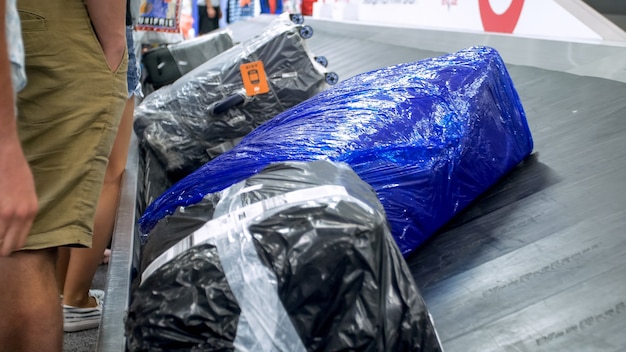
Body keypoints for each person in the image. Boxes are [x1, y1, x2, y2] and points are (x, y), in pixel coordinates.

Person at [0, 0, 128, 350]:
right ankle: (74, 297)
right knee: (25, 243)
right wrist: (115, 48)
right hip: (53, 25)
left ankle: (71, 295)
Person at [56, 0, 143, 333]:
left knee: (69, 169)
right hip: (98, 35)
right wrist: (117, 56)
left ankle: (60, 289)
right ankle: (75, 299)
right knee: (108, 174)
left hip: (55, 35)